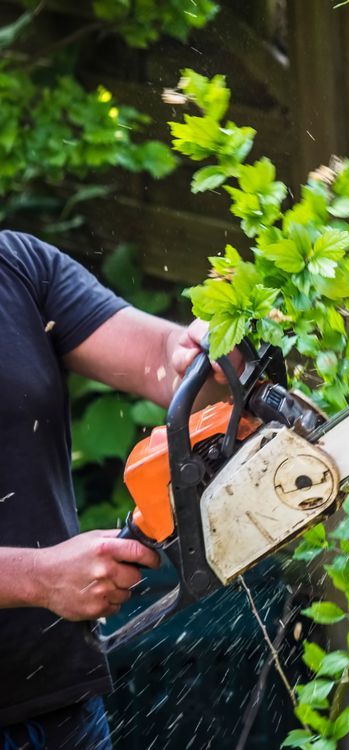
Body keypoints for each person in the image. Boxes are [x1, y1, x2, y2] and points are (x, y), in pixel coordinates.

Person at [0, 230, 233, 749]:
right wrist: (36, 578)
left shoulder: (16, 266)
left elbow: (164, 364)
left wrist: (206, 358)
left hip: (61, 704)